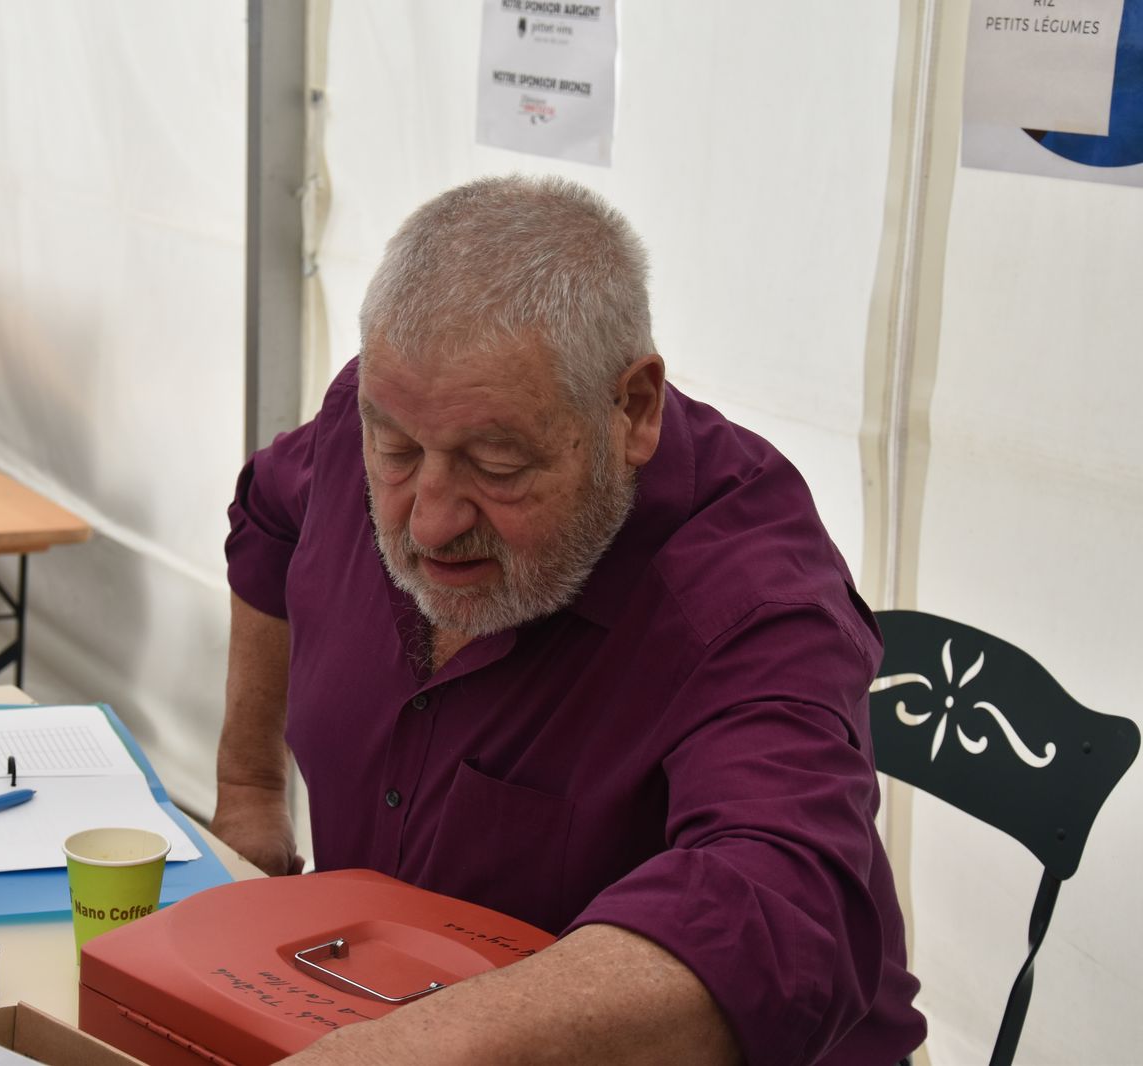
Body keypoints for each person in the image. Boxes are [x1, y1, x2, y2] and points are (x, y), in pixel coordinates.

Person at [213, 175, 924, 1065]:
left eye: (497, 464)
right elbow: (271, 517)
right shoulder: (401, 398)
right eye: (395, 451)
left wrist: (409, 1051)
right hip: (373, 1000)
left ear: (634, 409)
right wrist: (248, 789)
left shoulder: (749, 598)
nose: (429, 521)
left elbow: (779, 908)